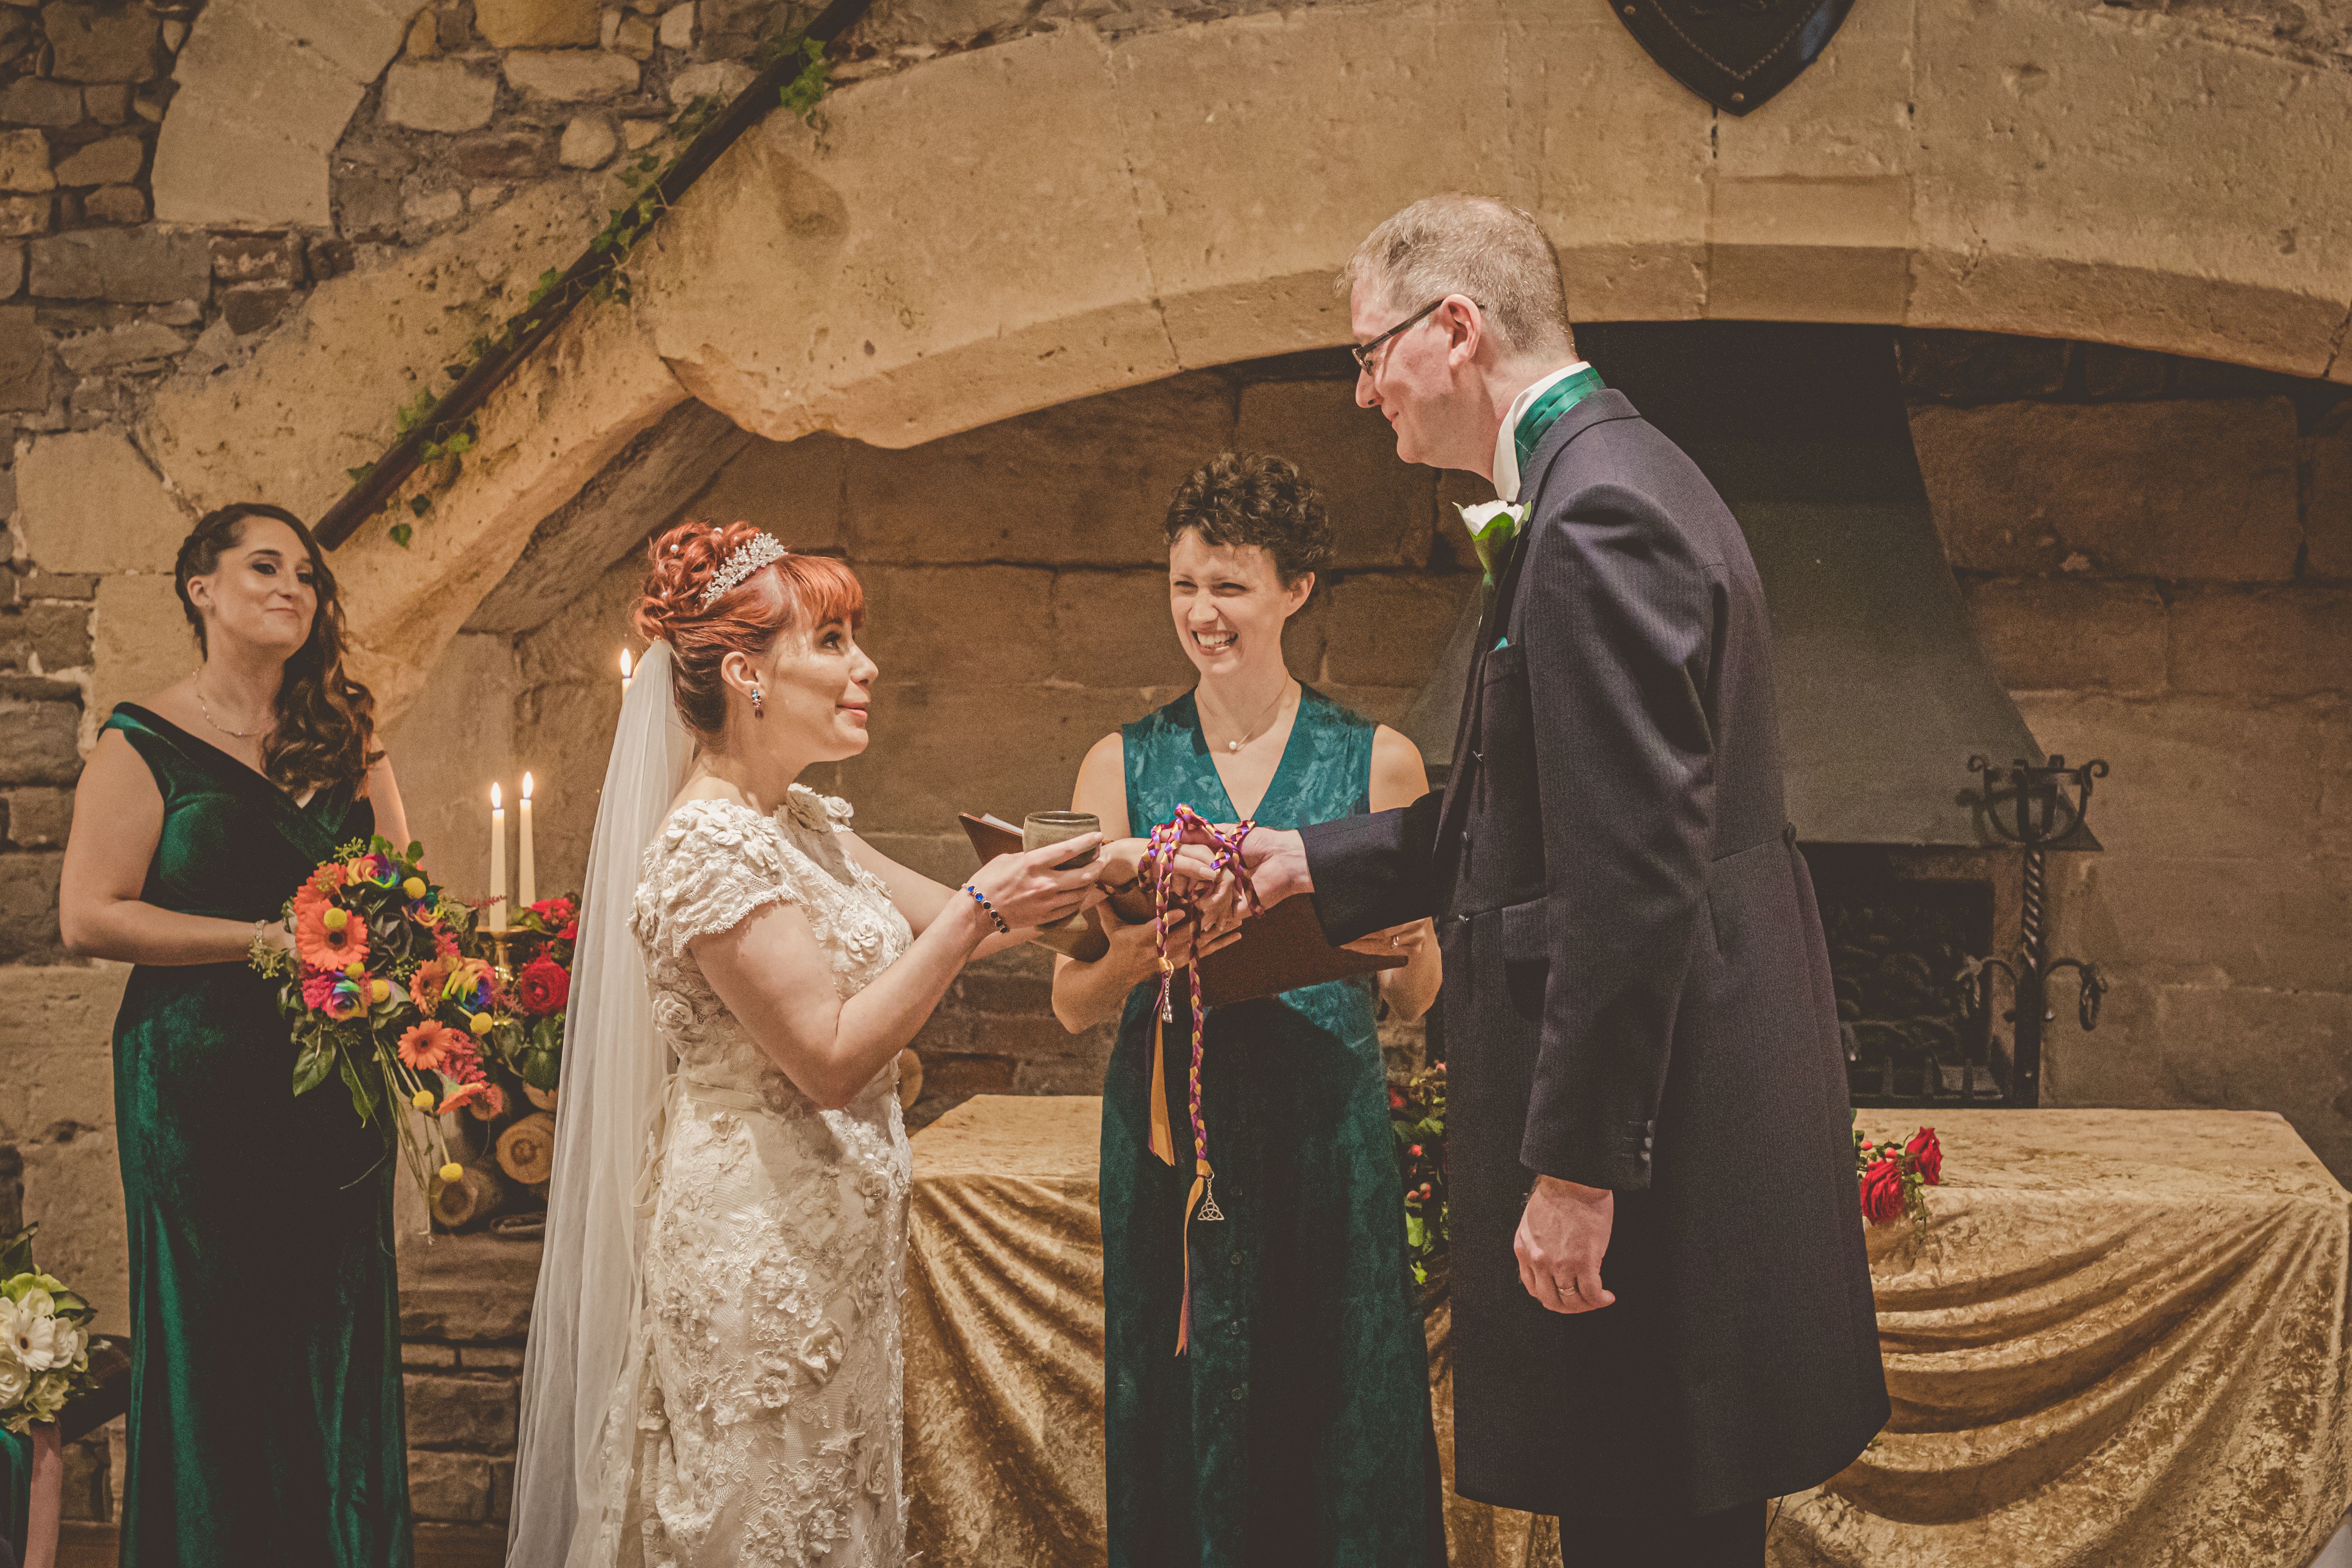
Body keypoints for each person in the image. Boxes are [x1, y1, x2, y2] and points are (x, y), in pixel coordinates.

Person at [1198, 196, 1891, 1564]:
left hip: (1653, 1149)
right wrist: (1311, 859)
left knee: (1649, 1529)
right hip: (1682, 1111)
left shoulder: (1594, 520)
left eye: (1369, 352)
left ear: (1455, 329)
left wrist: (1579, 1167)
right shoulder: (1611, 474)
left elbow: (1631, 876)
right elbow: (1547, 807)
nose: (1362, 391)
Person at [508, 521, 1112, 1568]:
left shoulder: (802, 821)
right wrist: (979, 908)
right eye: (831, 641)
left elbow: (974, 914)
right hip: (757, 1249)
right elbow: (828, 1058)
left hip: (835, 1246)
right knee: (759, 1516)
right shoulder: (705, 844)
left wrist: (1133, 875)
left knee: (834, 1507)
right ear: (746, 672)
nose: (864, 665)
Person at [1052, 454, 1447, 1568]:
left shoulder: (1379, 761)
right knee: (1177, 1408)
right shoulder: (1117, 763)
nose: (1200, 612)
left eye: (1228, 585)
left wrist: (1410, 945)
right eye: (1183, 583)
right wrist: (1140, 950)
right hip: (1173, 1152)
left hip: (1326, 1137)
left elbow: (1418, 999)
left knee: (1339, 1405)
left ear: (1296, 590)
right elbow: (1073, 1001)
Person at [58, 503, 415, 1566]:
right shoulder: (143, 739)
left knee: (334, 1332)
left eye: (307, 574)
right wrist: (268, 941)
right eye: (264, 565)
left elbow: (400, 897)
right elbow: (89, 915)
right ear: (200, 588)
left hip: (334, 1086)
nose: (292, 588)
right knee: (220, 1342)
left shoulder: (347, 732)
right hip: (199, 1082)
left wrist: (417, 972)